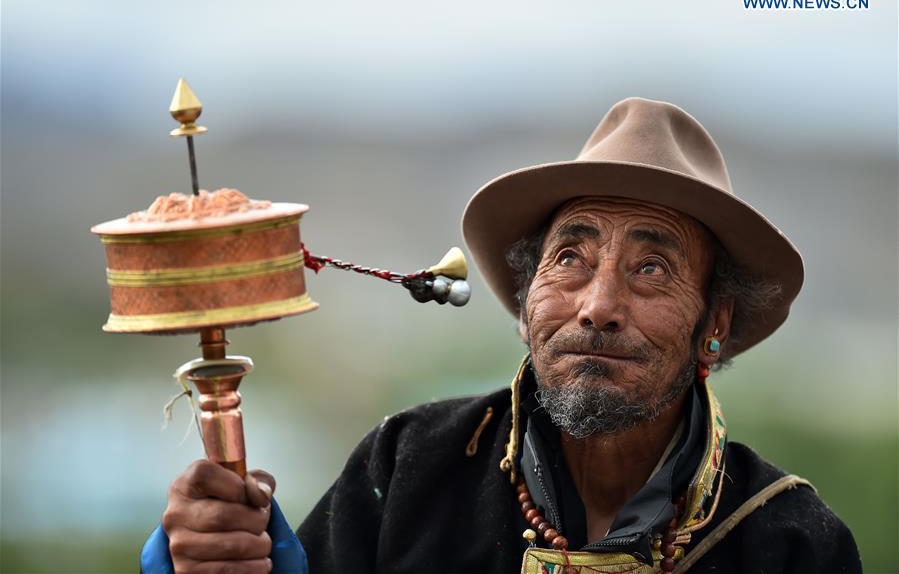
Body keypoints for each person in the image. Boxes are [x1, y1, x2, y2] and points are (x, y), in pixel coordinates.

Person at [148, 98, 862, 573]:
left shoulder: (790, 541)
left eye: (651, 268)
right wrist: (211, 551)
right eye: (569, 260)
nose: (597, 306)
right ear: (525, 304)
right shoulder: (409, 468)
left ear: (715, 323)